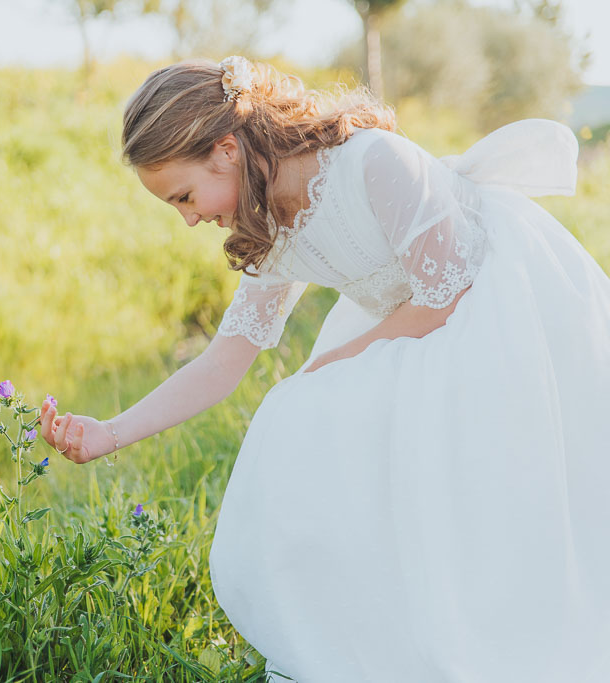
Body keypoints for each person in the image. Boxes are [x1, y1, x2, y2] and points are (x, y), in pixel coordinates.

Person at [37, 56, 610, 682]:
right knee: (303, 412)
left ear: (226, 150)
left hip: (494, 310)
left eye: (184, 195)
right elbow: (225, 360)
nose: (189, 217)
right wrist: (109, 433)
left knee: (423, 455)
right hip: (410, 325)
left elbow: (445, 294)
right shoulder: (270, 224)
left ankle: (500, 631)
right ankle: (377, 634)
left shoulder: (371, 163)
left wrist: (336, 363)